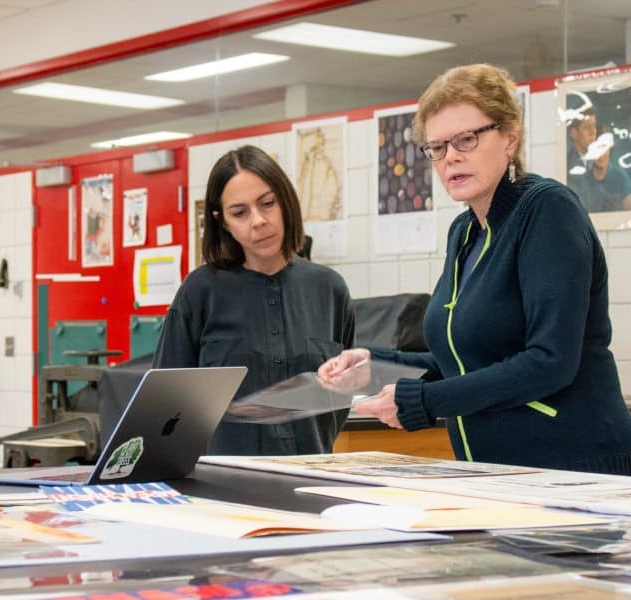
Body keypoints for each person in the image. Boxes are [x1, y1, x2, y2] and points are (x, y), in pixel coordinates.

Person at [319, 64, 631, 475]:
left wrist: (422, 402)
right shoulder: (465, 231)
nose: (451, 157)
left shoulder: (547, 210)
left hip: (574, 467)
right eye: (438, 147)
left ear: (510, 137)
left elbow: (549, 361)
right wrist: (373, 364)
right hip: (496, 470)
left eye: (466, 139)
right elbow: (465, 359)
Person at [153, 145, 355, 455]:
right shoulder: (200, 292)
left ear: (285, 202)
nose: (258, 221)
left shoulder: (329, 290)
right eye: (240, 212)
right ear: (223, 222)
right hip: (220, 487)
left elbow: (338, 398)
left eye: (267, 203)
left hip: (310, 479)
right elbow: (165, 404)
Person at [566, 105, 631, 213]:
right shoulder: (576, 173)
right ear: (574, 133)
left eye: (594, 126)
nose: (593, 132)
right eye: (587, 127)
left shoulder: (620, 178)